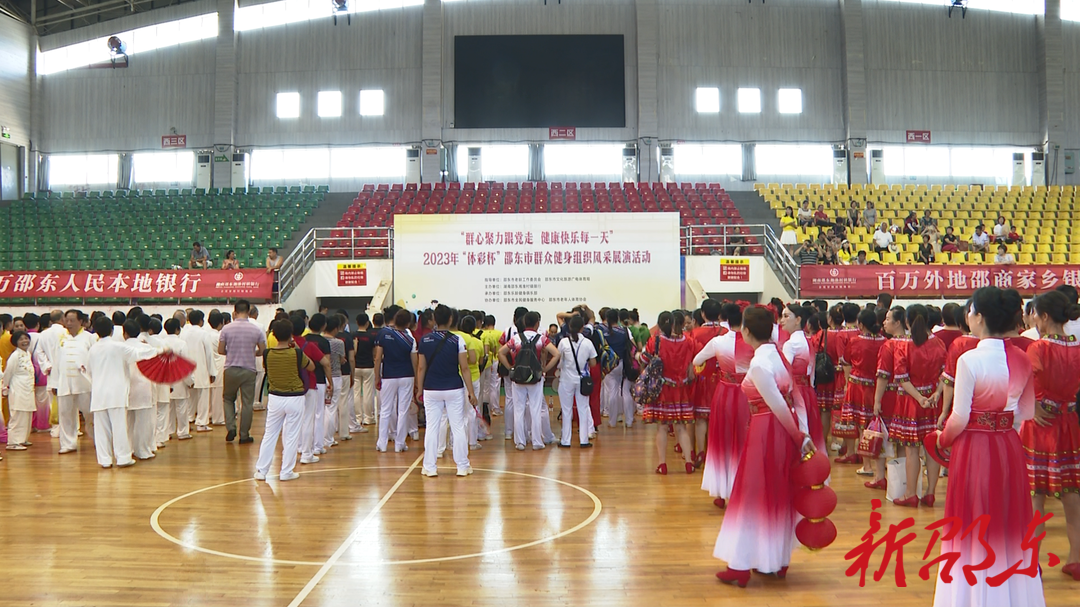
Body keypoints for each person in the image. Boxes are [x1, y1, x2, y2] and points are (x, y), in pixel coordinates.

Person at [933, 287, 1044, 606]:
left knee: (973, 519)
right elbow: (1026, 412)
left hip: (974, 448)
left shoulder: (969, 359)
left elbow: (959, 416)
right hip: (1008, 445)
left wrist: (941, 440)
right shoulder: (1023, 358)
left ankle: (972, 595)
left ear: (978, 317)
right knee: (1008, 518)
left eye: (970, 310)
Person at [713, 307, 813, 586]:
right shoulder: (778, 355)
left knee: (751, 494)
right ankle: (776, 560)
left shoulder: (759, 364)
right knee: (778, 491)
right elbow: (794, 398)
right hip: (782, 429)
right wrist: (802, 433)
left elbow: (779, 405)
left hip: (766, 429)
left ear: (745, 331)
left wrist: (798, 436)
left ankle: (740, 565)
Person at [1022, 292, 1080, 578]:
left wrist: (1033, 407)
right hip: (1068, 423)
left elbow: (1027, 382)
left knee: (1036, 495)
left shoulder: (1038, 347)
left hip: (1040, 426)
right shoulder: (1077, 348)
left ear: (1043, 316)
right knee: (1072, 494)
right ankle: (1076, 558)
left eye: (1034, 313)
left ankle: (1032, 560)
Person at [888, 304, 947, 507]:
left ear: (906, 321)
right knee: (932, 447)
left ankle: (910, 493)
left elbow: (902, 378)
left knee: (912, 450)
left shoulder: (904, 345)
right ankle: (930, 493)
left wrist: (919, 397)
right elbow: (944, 375)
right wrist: (936, 394)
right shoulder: (938, 343)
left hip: (909, 401)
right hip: (933, 402)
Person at [693, 303, 751, 508]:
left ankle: (721, 491)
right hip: (747, 393)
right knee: (745, 440)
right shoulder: (753, 344)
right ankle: (744, 490)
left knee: (722, 440)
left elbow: (697, 360)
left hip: (724, 393)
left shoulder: (717, 342)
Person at [85, 316, 160, 468]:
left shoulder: (93, 349)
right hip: (116, 392)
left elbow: (88, 371)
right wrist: (161, 349)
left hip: (99, 393)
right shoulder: (117, 347)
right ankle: (123, 457)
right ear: (112, 330)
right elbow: (140, 354)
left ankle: (104, 460)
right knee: (119, 426)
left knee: (101, 429)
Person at [415, 305, 478, 477]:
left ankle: (430, 467)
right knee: (457, 427)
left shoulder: (425, 340)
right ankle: (462, 466)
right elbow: (464, 368)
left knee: (432, 428)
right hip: (454, 388)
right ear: (451, 319)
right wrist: (471, 392)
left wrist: (419, 389)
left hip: (431, 389)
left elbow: (421, 367)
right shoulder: (458, 340)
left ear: (434, 319)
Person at [254, 319, 315, 482]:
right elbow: (311, 367)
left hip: (275, 396)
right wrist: (294, 346)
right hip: (295, 397)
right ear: (291, 335)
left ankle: (261, 470)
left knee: (270, 434)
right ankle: (286, 471)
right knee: (292, 435)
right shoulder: (296, 353)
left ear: (273, 334)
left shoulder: (267, 354)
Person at [641, 311, 697, 475]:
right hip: (681, 389)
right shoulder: (688, 341)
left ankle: (662, 464)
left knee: (662, 428)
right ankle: (688, 463)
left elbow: (644, 360)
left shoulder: (655, 341)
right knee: (681, 428)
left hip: (662, 389)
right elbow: (696, 359)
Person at [498, 311, 560, 451]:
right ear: (537, 323)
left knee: (519, 409)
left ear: (524, 322)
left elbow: (501, 352)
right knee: (535, 409)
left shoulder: (516, 338)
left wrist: (510, 368)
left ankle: (520, 442)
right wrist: (545, 369)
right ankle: (537, 441)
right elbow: (556, 354)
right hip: (535, 378)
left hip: (518, 378)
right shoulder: (542, 339)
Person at [834, 309, 886, 473]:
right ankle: (879, 461)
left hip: (858, 385)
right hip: (878, 386)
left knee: (862, 424)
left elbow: (846, 360)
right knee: (878, 424)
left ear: (861, 324)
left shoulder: (855, 341)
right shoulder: (885, 341)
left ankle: (867, 465)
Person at [866, 307, 906, 490]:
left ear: (897, 323)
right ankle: (901, 478)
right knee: (903, 438)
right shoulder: (912, 343)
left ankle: (880, 476)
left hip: (890, 395)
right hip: (907, 397)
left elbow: (882, 375)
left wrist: (877, 400)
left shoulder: (888, 346)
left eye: (888, 319)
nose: (884, 322)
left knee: (881, 433)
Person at [218, 300, 266, 444]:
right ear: (249, 310)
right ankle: (244, 435)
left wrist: (231, 352)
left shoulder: (226, 329)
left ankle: (231, 427)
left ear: (235, 311)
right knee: (247, 403)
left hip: (231, 368)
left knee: (228, 399)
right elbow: (263, 350)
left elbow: (220, 350)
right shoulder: (256, 329)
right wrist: (253, 353)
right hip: (249, 369)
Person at [780, 304, 826, 456]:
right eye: (782, 316)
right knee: (809, 431)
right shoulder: (807, 341)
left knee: (798, 435)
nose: (782, 320)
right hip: (808, 393)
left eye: (786, 316)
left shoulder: (791, 344)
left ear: (798, 319)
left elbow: (784, 374)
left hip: (795, 395)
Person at [52, 310, 96, 454]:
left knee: (90, 414)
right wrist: (54, 383)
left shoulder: (90, 338)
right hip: (65, 383)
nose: (69, 324)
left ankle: (98, 440)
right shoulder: (61, 338)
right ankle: (68, 444)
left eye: (72, 320)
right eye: (67, 320)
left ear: (81, 322)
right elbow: (56, 361)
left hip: (84, 383)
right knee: (65, 414)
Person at [374, 309, 417, 453]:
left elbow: (378, 358)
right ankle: (400, 443)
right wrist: (416, 380)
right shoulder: (411, 339)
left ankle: (382, 443)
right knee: (403, 410)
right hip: (407, 376)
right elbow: (414, 361)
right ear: (408, 323)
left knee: (385, 409)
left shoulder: (384, 334)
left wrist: (376, 377)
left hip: (388, 376)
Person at [557, 315, 596, 448]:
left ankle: (565, 441)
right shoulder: (588, 343)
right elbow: (593, 362)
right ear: (582, 327)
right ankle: (584, 440)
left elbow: (559, 361)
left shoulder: (563, 342)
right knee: (583, 408)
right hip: (582, 380)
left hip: (566, 380)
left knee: (567, 410)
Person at [124, 319, 157, 461]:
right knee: (143, 422)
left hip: (125, 387)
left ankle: (128, 449)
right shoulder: (147, 348)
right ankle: (143, 450)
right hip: (143, 387)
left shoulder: (120, 347)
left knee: (127, 422)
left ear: (124, 333)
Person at [599, 308, 635, 431]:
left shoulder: (603, 331)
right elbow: (632, 346)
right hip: (623, 364)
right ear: (618, 318)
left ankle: (612, 421)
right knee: (625, 392)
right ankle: (629, 420)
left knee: (612, 392)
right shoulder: (624, 331)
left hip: (609, 366)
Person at [181, 310, 217, 433]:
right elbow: (209, 354)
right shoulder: (204, 334)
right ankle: (201, 423)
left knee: (190, 397)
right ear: (201, 320)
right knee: (203, 397)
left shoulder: (184, 334)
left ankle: (189, 419)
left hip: (187, 369)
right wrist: (212, 372)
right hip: (201, 368)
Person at [3, 331, 36, 450]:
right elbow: (8, 373)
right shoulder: (15, 356)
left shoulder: (28, 353)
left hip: (28, 389)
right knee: (17, 415)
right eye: (21, 339)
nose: (25, 341)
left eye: (26, 338)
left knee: (27, 414)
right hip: (18, 389)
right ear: (16, 342)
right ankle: (13, 442)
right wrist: (4, 388)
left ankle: (22, 439)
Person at [353, 313, 378, 427]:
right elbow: (374, 353)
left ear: (357, 322)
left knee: (356, 392)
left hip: (356, 367)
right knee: (368, 393)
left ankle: (358, 417)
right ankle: (369, 417)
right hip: (368, 366)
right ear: (367, 323)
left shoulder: (353, 335)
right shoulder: (371, 336)